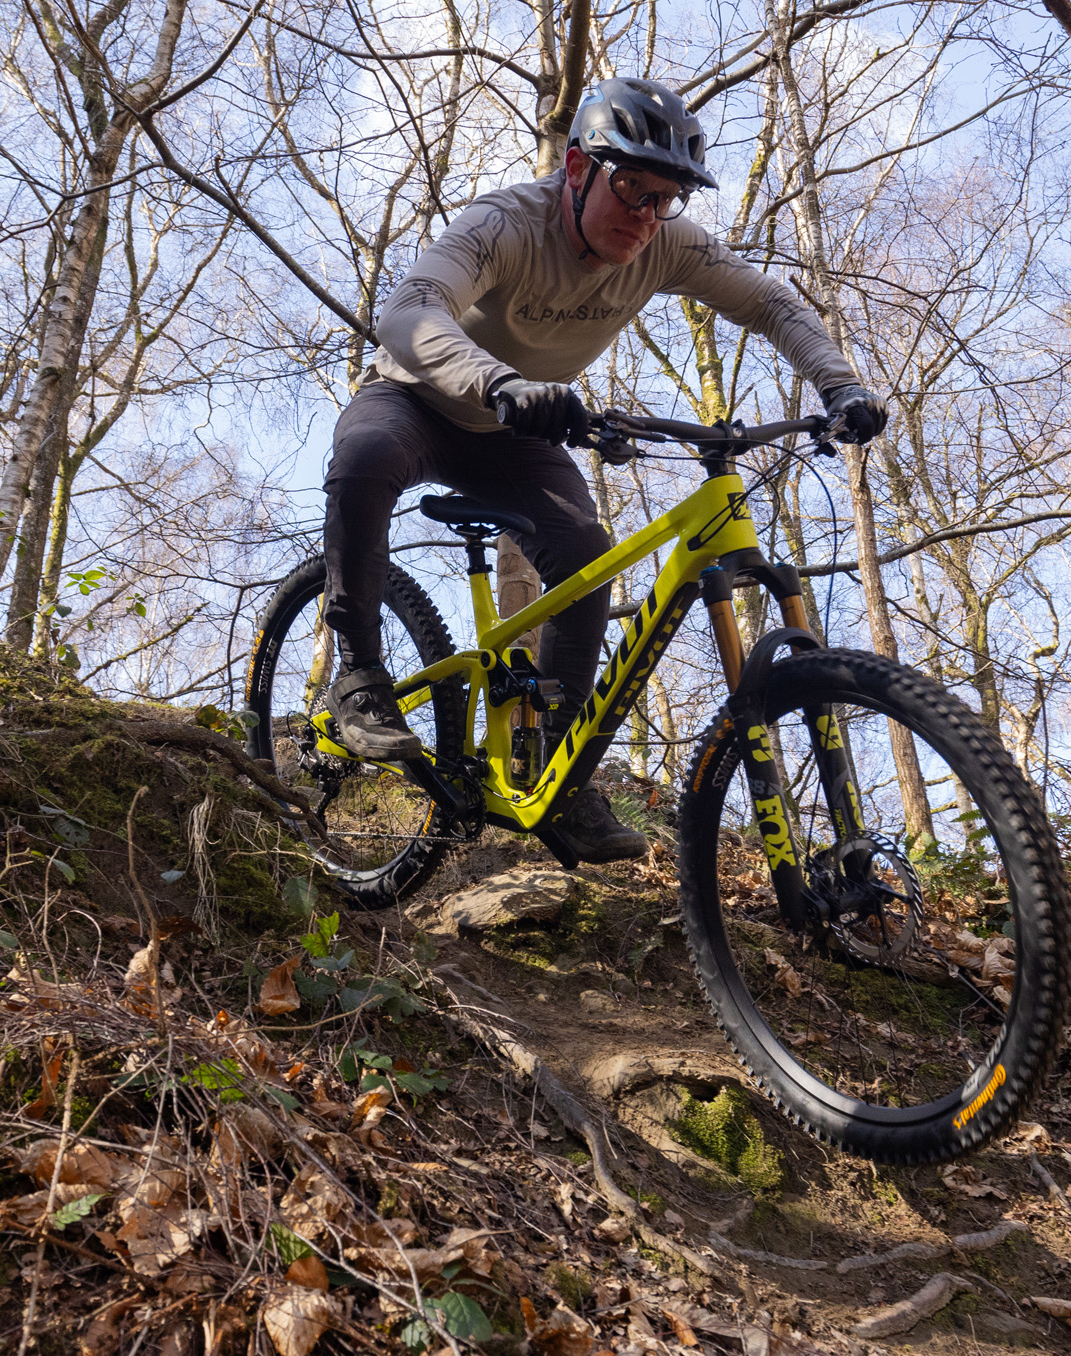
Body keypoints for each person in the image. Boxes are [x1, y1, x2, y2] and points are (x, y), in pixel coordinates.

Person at [320, 76, 887, 863]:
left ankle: (564, 771)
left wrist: (839, 384)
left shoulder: (667, 244)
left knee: (586, 558)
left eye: (665, 200)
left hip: (518, 434)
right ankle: (354, 674)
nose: (644, 216)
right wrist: (502, 384)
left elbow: (771, 305)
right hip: (420, 399)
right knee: (363, 457)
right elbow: (410, 310)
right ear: (578, 168)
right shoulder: (504, 224)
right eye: (630, 188)